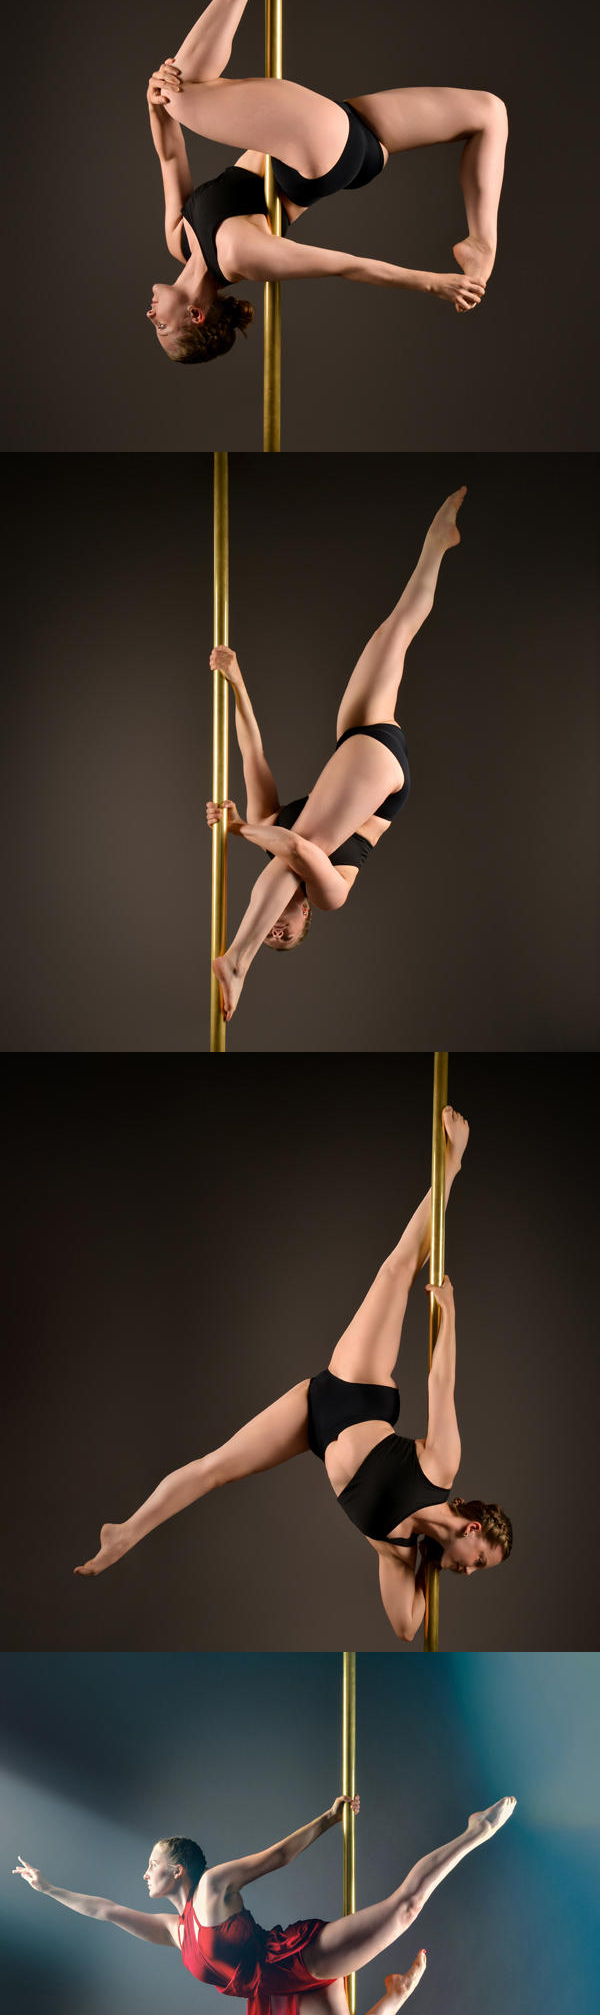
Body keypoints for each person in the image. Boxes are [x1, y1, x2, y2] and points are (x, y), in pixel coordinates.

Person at [78, 1113, 511, 1634]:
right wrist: (450, 1313)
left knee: (216, 1469)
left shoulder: (398, 1551)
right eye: (479, 1560)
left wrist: (430, 1563)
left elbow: (406, 1626)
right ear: (473, 1528)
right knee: (398, 1269)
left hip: (313, 1425)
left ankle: (122, 1535)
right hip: (357, 1389)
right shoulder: (441, 1467)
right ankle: (452, 1165)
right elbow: (441, 1382)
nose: (470, 1572)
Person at [144, 0, 508, 374]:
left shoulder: (179, 241)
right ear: (195, 315)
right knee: (180, 91)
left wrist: (153, 107)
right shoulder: (237, 257)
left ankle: (482, 244)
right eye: (163, 326)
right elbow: (344, 264)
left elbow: (169, 155)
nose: (151, 315)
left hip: (353, 144)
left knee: (488, 113)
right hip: (314, 154)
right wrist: (432, 283)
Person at [15, 1791, 515, 2015]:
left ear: (178, 1869)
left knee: (403, 1909)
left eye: (152, 1864)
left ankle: (476, 1831)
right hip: (281, 1991)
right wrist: (48, 1889)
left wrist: (328, 1819)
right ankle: (398, 1993)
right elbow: (105, 1910)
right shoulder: (175, 1931)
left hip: (297, 1957)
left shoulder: (213, 1887)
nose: (144, 1873)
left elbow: (277, 1856)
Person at [206, 494, 465, 1022]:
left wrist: (237, 680)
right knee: (293, 855)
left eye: (269, 935)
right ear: (305, 919)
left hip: (359, 740)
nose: (277, 930)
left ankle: (437, 543)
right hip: (383, 778)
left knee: (393, 632)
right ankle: (237, 961)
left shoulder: (266, 824)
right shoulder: (331, 894)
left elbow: (253, 753)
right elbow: (298, 851)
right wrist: (236, 830)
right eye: (285, 936)